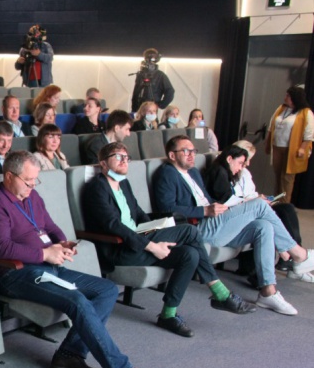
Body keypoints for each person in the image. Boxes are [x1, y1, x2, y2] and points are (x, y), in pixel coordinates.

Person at [0, 150, 160, 368]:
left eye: (35, 180)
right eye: (28, 180)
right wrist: (45, 254)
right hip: (16, 273)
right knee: (77, 300)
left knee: (107, 290)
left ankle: (70, 354)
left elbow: (50, 227)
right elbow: (2, 248)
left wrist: (62, 243)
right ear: (9, 176)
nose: (33, 185)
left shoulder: (32, 196)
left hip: (50, 267)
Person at [84, 142, 255, 337]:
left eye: (126, 157)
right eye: (118, 157)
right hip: (120, 248)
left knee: (189, 254)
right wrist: (152, 246)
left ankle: (168, 314)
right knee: (189, 231)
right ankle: (220, 293)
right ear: (103, 163)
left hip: (139, 239)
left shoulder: (123, 183)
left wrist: (157, 229)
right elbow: (113, 226)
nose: (124, 161)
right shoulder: (97, 188)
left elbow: (138, 214)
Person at [153, 135, 314, 316]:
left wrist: (223, 208)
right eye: (185, 151)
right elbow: (166, 208)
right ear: (172, 155)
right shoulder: (167, 173)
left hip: (215, 221)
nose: (191, 155)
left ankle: (268, 292)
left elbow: (206, 199)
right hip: (197, 227)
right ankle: (298, 255)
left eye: (193, 151)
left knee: (263, 227)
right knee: (259, 205)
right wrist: (204, 211)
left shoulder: (193, 173)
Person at [226, 140, 308, 281]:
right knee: (272, 218)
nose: (248, 164)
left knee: (287, 209)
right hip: (243, 209)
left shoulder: (245, 173)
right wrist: (254, 200)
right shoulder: (226, 173)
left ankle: (293, 258)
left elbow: (250, 192)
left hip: (255, 205)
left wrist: (260, 197)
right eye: (245, 160)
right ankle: (293, 258)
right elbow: (232, 199)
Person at [265, 85, 313, 204]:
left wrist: (302, 148)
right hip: (277, 146)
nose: (285, 97)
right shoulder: (281, 108)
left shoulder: (306, 112)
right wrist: (267, 142)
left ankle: (284, 204)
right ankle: (276, 202)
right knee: (278, 177)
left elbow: (309, 134)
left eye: (288, 95)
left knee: (287, 178)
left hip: (291, 150)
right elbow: (271, 126)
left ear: (294, 98)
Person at [131, 47, 174, 111]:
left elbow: (170, 91)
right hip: (139, 108)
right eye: (148, 57)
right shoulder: (140, 75)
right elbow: (136, 93)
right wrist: (134, 109)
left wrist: (161, 105)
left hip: (152, 108)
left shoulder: (160, 75)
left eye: (152, 58)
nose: (150, 61)